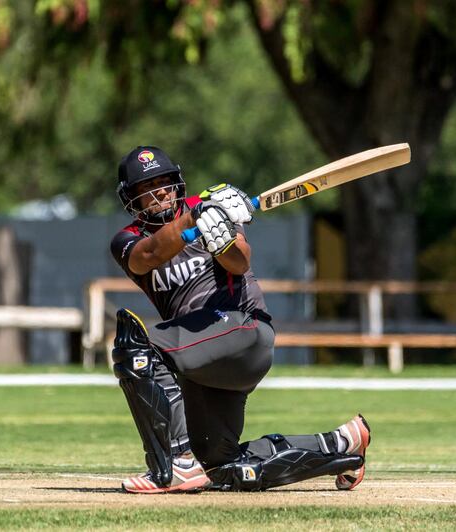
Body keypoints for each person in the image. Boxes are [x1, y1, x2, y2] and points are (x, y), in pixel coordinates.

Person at [109, 145, 370, 493]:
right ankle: (342, 443)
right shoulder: (128, 239)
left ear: (177, 183)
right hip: (203, 357)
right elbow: (149, 255)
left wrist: (222, 235)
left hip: (241, 327)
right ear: (132, 198)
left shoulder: (209, 208)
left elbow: (240, 262)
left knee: (138, 347)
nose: (160, 193)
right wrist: (195, 219)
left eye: (165, 182)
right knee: (220, 466)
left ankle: (177, 463)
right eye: (147, 188)